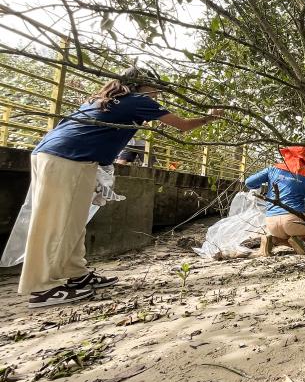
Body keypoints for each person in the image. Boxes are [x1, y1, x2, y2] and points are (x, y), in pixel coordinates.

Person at [21, 67, 223, 308]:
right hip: (68, 158)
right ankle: (44, 288)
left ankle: (76, 273)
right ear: (142, 85)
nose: (157, 93)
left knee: (73, 221)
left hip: (60, 155)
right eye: (154, 87)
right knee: (59, 223)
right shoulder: (137, 100)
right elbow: (183, 126)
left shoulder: (103, 99)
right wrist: (210, 117)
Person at [244, 146, 305, 255]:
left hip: (271, 223)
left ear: (287, 154)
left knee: (282, 231)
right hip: (294, 220)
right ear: (303, 158)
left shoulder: (272, 169)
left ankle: (274, 239)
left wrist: (265, 184)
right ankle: (297, 241)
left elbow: (248, 182)